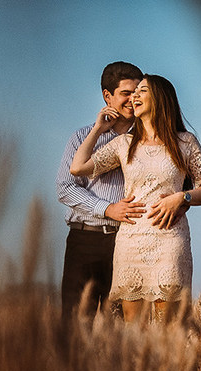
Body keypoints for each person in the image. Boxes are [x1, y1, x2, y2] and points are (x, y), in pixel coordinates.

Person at [69, 74, 201, 324]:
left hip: (169, 238)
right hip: (131, 240)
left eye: (142, 91)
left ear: (160, 98)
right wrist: (98, 128)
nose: (135, 96)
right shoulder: (124, 144)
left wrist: (182, 197)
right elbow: (78, 167)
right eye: (133, 91)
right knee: (133, 328)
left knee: (166, 327)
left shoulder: (185, 142)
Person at [56, 61, 146, 323]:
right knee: (74, 324)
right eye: (126, 93)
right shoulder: (81, 137)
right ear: (107, 96)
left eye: (138, 92)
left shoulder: (150, 141)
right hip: (85, 240)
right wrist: (107, 208)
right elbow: (65, 188)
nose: (133, 99)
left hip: (128, 242)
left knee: (118, 327)